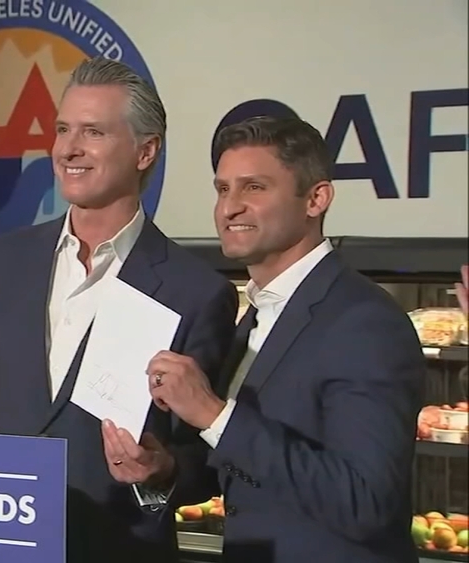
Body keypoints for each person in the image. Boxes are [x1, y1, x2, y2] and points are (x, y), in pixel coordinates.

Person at [0, 57, 237, 562]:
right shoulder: (3, 260)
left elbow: (205, 458)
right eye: (62, 130)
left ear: (146, 151)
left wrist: (160, 470)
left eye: (93, 132)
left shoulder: (196, 291)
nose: (68, 149)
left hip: (115, 548)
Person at [146, 116, 423, 563]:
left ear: (316, 199)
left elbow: (365, 501)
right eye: (222, 189)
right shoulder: (258, 313)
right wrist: (163, 468)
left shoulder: (365, 322)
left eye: (254, 188)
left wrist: (214, 413)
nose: (229, 208)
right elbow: (245, 469)